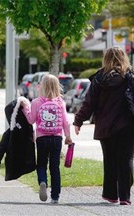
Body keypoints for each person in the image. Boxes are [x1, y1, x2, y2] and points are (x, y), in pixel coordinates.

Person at [73, 47, 134, 205]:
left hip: (105, 127)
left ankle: (111, 195)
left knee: (110, 160)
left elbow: (89, 104)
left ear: (105, 59)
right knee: (126, 160)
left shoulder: (99, 79)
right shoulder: (130, 77)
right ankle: (125, 197)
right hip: (127, 126)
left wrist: (78, 121)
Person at [21, 74, 72, 204]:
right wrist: (68, 136)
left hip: (41, 138)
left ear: (41, 86)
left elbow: (31, 120)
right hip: (56, 138)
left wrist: (25, 108)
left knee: (42, 164)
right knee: (55, 167)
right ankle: (55, 196)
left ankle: (43, 181)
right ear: (57, 87)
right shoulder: (61, 102)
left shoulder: (36, 102)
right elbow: (66, 121)